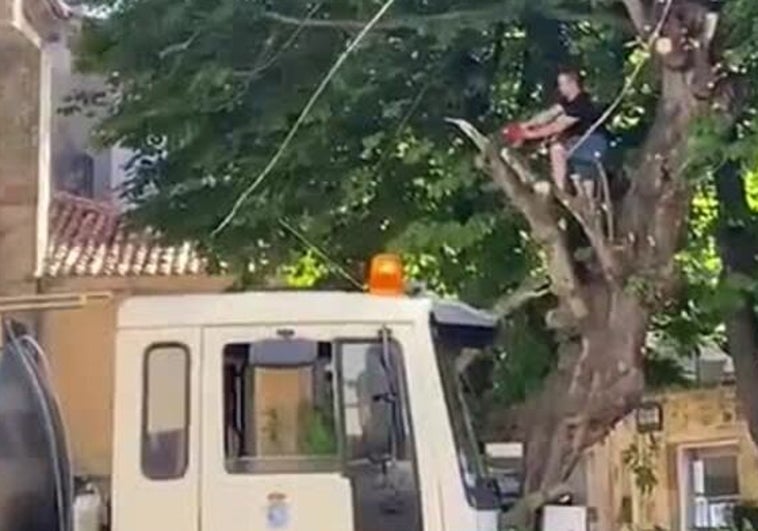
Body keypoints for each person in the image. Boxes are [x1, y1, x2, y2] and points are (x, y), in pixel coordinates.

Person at [504, 68, 609, 198]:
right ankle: (585, 203)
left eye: (562, 84)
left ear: (572, 83)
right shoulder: (567, 101)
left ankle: (561, 192)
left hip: (593, 142)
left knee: (557, 148)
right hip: (580, 143)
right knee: (582, 176)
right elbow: (549, 114)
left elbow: (556, 127)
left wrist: (528, 135)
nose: (560, 88)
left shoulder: (582, 103)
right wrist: (526, 125)